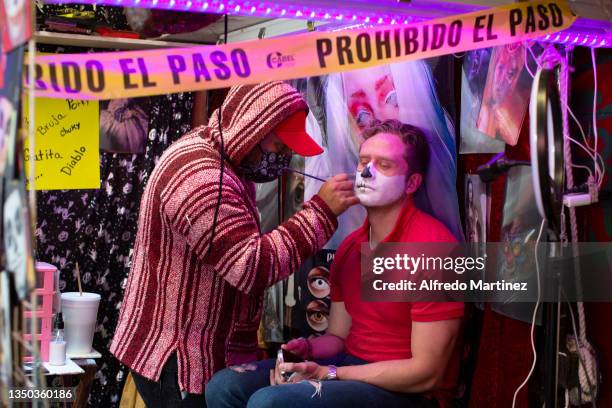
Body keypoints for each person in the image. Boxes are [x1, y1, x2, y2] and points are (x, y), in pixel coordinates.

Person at [110, 82, 359, 407]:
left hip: (198, 348)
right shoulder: (201, 179)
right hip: (180, 356)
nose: (282, 159)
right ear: (248, 129)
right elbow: (249, 267)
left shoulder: (225, 158)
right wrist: (321, 212)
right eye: (279, 147)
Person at [206, 119, 464, 408]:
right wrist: (306, 349)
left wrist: (330, 373)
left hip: (404, 392)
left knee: (270, 403)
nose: (366, 172)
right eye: (364, 161)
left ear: (412, 183)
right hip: (349, 367)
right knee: (226, 386)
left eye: (384, 165)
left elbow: (427, 374)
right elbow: (339, 338)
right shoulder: (352, 246)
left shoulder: (434, 248)